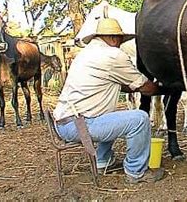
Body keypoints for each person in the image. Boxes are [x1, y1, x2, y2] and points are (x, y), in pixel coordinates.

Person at [53, 17, 164, 183]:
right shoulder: (113, 55)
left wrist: (136, 86)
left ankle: (103, 160)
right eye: (120, 40)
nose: (121, 44)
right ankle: (136, 171)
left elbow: (122, 85)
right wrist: (165, 87)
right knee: (140, 119)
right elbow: (145, 87)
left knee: (108, 113)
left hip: (65, 122)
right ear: (114, 38)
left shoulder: (87, 53)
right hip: (78, 125)